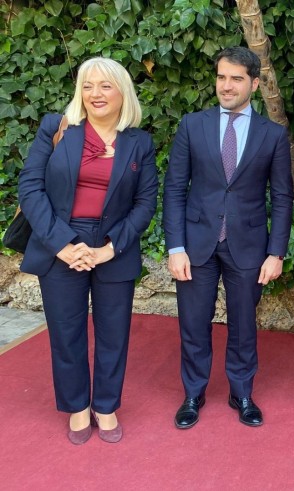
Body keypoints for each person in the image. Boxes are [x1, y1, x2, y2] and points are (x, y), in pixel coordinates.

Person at [18, 57, 158, 444]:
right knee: (66, 333)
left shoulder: (139, 142)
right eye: (88, 85)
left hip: (113, 246)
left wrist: (110, 249)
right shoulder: (56, 128)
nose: (95, 93)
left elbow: (146, 203)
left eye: (105, 85)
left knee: (114, 334)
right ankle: (78, 407)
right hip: (60, 241)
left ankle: (106, 407)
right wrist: (63, 245)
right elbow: (30, 189)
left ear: (122, 92)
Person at [163, 46, 293, 429]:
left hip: (249, 246)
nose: (226, 85)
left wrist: (277, 252)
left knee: (243, 324)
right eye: (221, 77)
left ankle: (242, 392)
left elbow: (282, 197)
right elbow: (174, 189)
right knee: (193, 322)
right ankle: (193, 392)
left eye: (236, 78)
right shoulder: (192, 125)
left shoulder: (272, 135)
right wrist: (175, 247)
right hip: (196, 243)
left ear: (254, 82)